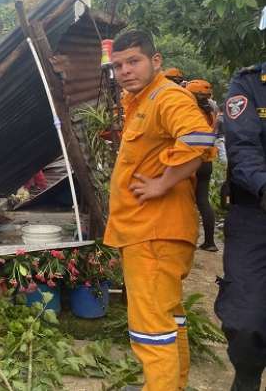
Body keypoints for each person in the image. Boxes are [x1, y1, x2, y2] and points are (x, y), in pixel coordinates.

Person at [103, 30, 216, 391]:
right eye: (118, 65)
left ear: (156, 61)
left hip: (153, 232)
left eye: (133, 61)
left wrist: (161, 183)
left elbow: (199, 139)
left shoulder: (166, 97)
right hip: (153, 233)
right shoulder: (142, 100)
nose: (125, 70)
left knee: (151, 332)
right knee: (169, 321)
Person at [215, 61, 266, 391]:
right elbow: (244, 148)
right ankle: (247, 376)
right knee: (247, 322)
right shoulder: (249, 84)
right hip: (255, 213)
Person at [186, 79, 219, 252]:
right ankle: (210, 242)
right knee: (203, 201)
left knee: (185, 201)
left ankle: (186, 238)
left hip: (192, 161)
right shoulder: (211, 112)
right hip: (207, 161)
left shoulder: (191, 112)